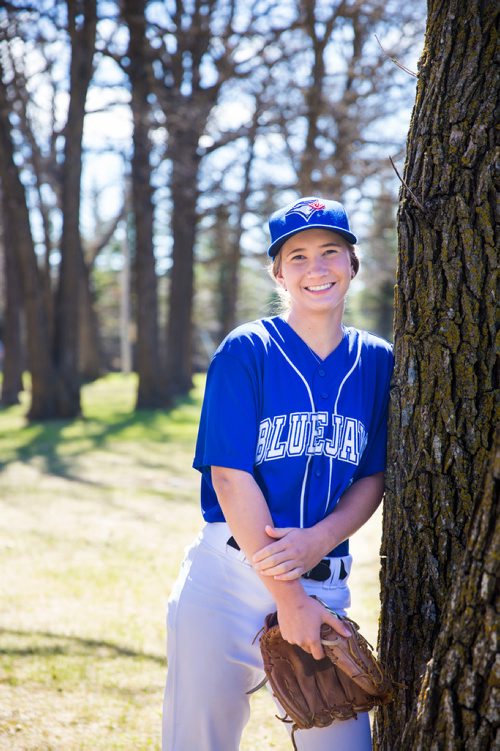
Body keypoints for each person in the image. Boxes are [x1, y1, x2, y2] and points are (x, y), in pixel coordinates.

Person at [162, 196, 394, 751]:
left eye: (330, 251)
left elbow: (372, 477)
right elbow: (228, 475)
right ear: (278, 273)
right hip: (227, 578)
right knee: (199, 740)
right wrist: (288, 599)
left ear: (353, 263)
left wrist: (318, 539)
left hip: (323, 580)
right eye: (297, 256)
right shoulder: (248, 349)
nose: (316, 268)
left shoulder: (380, 361)